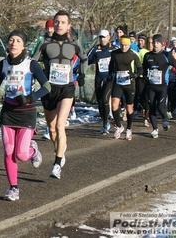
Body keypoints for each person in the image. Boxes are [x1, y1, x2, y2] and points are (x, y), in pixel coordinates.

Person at [0, 30, 50, 201]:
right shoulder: (3, 64)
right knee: (8, 151)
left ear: (23, 45)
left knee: (21, 154)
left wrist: (30, 98)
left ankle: (33, 150)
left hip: (26, 113)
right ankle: (13, 188)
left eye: (18, 40)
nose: (13, 43)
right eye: (11, 40)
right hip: (8, 113)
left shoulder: (31, 64)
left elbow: (47, 87)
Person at [32, 10, 88, 179]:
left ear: (68, 25)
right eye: (57, 22)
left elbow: (84, 58)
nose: (59, 25)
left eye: (63, 22)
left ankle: (57, 164)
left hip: (67, 88)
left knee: (59, 126)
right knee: (51, 128)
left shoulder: (74, 43)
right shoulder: (44, 43)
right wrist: (37, 76)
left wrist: (82, 74)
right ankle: (60, 151)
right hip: (49, 88)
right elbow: (33, 61)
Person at [143, 34, 176, 138]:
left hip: (162, 86)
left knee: (160, 108)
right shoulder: (147, 56)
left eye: (157, 43)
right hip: (151, 86)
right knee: (151, 107)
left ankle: (164, 118)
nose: (155, 45)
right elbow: (144, 69)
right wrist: (145, 78)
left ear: (162, 44)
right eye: (153, 43)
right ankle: (155, 129)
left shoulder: (166, 55)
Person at [109, 35, 143, 140]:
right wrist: (111, 74)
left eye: (126, 45)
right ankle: (119, 126)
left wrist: (135, 75)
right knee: (114, 105)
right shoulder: (115, 53)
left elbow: (140, 69)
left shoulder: (133, 55)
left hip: (129, 84)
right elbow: (111, 66)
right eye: (122, 45)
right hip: (118, 83)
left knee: (129, 107)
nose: (124, 47)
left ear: (129, 44)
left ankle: (129, 128)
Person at [87, 30, 117, 134]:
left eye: (104, 37)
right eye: (100, 37)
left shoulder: (114, 49)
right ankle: (105, 124)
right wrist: (93, 61)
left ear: (109, 37)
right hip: (99, 78)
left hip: (109, 79)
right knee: (100, 102)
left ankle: (109, 119)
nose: (102, 39)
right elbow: (86, 59)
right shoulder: (95, 49)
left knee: (105, 99)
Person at [30, 19, 54, 140]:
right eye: (48, 28)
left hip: (59, 78)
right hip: (45, 73)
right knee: (46, 101)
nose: (50, 30)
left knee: (56, 102)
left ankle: (50, 128)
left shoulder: (62, 41)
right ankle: (48, 126)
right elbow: (34, 56)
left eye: (52, 27)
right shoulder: (42, 40)